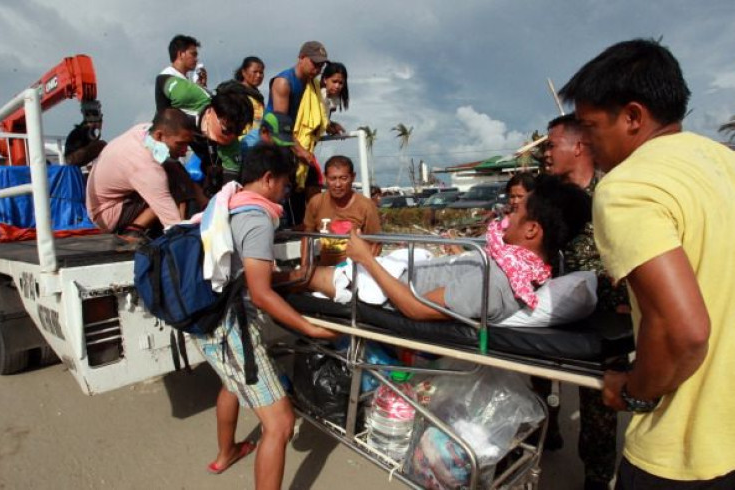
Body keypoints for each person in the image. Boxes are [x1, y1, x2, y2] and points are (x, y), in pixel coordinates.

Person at [559, 38, 735, 489]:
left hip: (686, 449)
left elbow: (686, 330)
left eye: (591, 127)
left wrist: (634, 390)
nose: (588, 143)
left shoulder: (628, 187)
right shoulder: (723, 162)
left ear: (633, 116)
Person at [191, 143, 338, 488]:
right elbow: (260, 292)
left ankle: (225, 454)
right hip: (232, 329)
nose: (286, 191)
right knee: (280, 424)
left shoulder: (228, 204)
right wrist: (309, 329)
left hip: (207, 321)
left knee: (231, 384)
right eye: (285, 184)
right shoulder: (257, 218)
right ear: (269, 179)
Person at [303, 175, 591, 323]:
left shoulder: (496, 284)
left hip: (390, 290)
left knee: (309, 275)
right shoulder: (519, 265)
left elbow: (414, 308)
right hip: (406, 270)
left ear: (532, 230)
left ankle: (261, 284)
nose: (508, 215)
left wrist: (366, 257)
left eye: (517, 211)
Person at [541, 113, 630, 490]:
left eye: (551, 145)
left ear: (577, 147)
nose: (545, 153)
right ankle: (547, 429)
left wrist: (628, 301)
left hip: (606, 312)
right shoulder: (546, 196)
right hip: (552, 308)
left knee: (598, 402)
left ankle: (596, 475)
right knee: (540, 379)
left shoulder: (614, 194)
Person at [85, 108, 200, 244]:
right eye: (180, 144)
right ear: (159, 136)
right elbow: (172, 225)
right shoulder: (146, 167)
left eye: (187, 144)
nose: (184, 151)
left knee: (175, 168)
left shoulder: (144, 131)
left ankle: (203, 204)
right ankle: (134, 230)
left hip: (116, 199)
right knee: (174, 185)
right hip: (107, 215)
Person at [159, 78, 253, 192]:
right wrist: (163, 120)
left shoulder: (231, 146)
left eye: (238, 132)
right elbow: (160, 81)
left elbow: (229, 186)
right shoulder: (186, 94)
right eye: (228, 130)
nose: (232, 137)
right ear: (211, 112)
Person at [302, 155, 381, 266]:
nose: (338, 184)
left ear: (352, 177)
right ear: (325, 178)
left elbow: (376, 244)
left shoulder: (366, 206)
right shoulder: (316, 202)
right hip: (326, 271)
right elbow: (307, 235)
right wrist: (305, 267)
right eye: (332, 178)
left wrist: (367, 272)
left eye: (343, 178)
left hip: (355, 271)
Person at [266, 41, 328, 180]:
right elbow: (280, 127)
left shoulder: (311, 84)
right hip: (272, 144)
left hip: (291, 144)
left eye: (321, 66)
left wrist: (329, 124)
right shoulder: (284, 82)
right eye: (315, 63)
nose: (318, 69)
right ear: (301, 58)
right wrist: (301, 151)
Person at [156, 35, 200, 113]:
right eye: (193, 54)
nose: (196, 59)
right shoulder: (166, 77)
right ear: (180, 54)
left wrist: (200, 86)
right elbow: (201, 100)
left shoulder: (186, 80)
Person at [234, 56, 266, 154]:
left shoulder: (257, 96)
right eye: (255, 72)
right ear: (244, 72)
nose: (259, 75)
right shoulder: (236, 93)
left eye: (261, 72)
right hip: (244, 143)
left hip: (259, 143)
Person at [64, 100, 106, 167]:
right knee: (102, 144)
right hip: (72, 159)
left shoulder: (85, 130)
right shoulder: (86, 130)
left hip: (72, 158)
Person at [320, 62, 349, 135]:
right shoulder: (319, 95)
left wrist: (332, 124)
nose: (337, 86)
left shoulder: (334, 99)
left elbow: (323, 118)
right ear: (325, 80)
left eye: (340, 83)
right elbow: (314, 120)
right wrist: (328, 127)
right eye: (334, 81)